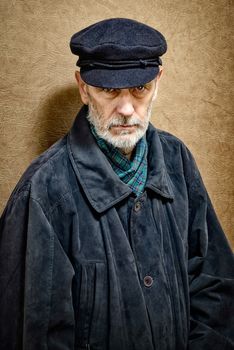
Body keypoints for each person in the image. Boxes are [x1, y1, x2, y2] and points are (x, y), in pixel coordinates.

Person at [0, 18, 233, 350]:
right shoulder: (43, 192)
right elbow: (35, 335)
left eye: (140, 89)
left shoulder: (178, 160)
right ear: (83, 87)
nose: (126, 109)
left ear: (158, 82)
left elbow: (216, 290)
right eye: (108, 90)